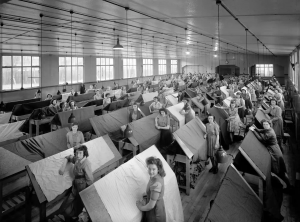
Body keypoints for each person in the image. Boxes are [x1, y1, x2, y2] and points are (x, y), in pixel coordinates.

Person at [249, 120, 292, 193]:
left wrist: (253, 131)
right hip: (275, 150)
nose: (265, 125)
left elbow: (261, 139)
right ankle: (288, 185)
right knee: (279, 170)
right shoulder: (269, 129)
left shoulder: (270, 132)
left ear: (269, 124)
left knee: (279, 171)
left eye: (266, 124)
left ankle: (289, 187)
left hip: (275, 153)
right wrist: (255, 129)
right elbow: (262, 130)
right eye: (264, 124)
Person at [58, 145, 93, 222]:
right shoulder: (77, 159)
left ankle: (76, 217)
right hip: (76, 183)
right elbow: (69, 157)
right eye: (76, 153)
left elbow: (90, 180)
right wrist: (64, 163)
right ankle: (62, 212)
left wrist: (86, 192)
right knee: (70, 198)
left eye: (80, 153)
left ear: (84, 153)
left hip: (83, 185)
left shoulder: (86, 163)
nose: (78, 155)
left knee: (79, 201)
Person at [136, 157, 166, 222]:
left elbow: (151, 206)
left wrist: (140, 207)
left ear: (158, 169)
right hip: (157, 206)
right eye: (149, 168)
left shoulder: (157, 184)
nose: (151, 171)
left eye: (153, 169)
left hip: (155, 212)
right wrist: (148, 193)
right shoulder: (155, 176)